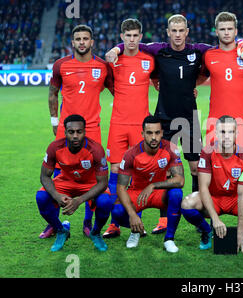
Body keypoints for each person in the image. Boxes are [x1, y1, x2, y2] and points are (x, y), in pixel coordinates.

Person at [105, 14, 243, 233]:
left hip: (189, 119)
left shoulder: (198, 51)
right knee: (160, 167)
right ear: (167, 32)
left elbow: (225, 44)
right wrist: (117, 48)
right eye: (173, 31)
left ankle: (199, 212)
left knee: (195, 168)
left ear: (187, 31)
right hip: (163, 119)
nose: (177, 35)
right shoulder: (158, 50)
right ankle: (162, 220)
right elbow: (132, 42)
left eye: (181, 30)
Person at [42, 24, 114, 239]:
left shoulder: (102, 66)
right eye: (78, 39)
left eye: (86, 38)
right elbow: (53, 93)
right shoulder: (61, 65)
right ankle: (55, 223)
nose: (82, 42)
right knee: (58, 174)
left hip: (92, 129)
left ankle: (87, 221)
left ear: (92, 42)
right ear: (72, 42)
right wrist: (55, 121)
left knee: (92, 178)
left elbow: (117, 92)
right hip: (66, 130)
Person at [181, 116, 243, 253]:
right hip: (214, 198)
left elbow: (242, 194)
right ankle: (207, 231)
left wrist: (240, 232)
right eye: (223, 132)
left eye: (231, 132)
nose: (227, 136)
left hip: (235, 199)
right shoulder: (207, 152)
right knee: (186, 204)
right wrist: (215, 220)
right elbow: (203, 188)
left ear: (236, 134)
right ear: (217, 134)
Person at [102, 19, 156, 239]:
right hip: (118, 124)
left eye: (135, 35)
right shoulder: (113, 60)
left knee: (137, 174)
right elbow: (106, 82)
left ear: (141, 37)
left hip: (140, 126)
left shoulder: (149, 60)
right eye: (128, 36)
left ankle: (137, 220)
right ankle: (114, 223)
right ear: (122, 37)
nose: (132, 39)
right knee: (115, 173)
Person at [36, 114, 112, 252]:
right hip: (65, 182)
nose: (75, 136)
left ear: (84, 132)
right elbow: (45, 176)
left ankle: (95, 232)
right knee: (41, 197)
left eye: (79, 131)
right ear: (65, 132)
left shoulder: (96, 149)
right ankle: (60, 230)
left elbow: (103, 183)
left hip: (90, 183)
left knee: (105, 202)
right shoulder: (55, 147)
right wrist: (56, 195)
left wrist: (79, 200)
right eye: (71, 132)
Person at [110, 115, 185, 252]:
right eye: (149, 133)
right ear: (143, 134)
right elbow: (121, 187)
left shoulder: (170, 149)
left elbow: (180, 180)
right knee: (117, 212)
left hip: (158, 193)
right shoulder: (131, 154)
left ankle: (169, 239)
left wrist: (153, 185)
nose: (154, 137)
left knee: (176, 194)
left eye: (157, 133)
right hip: (137, 192)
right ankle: (135, 231)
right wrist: (133, 215)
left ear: (162, 133)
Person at [199, 12, 243, 154]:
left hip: (242, 120)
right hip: (215, 121)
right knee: (215, 167)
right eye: (223, 29)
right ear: (216, 31)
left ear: (236, 31)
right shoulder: (208, 55)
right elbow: (200, 78)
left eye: (230, 29)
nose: (226, 33)